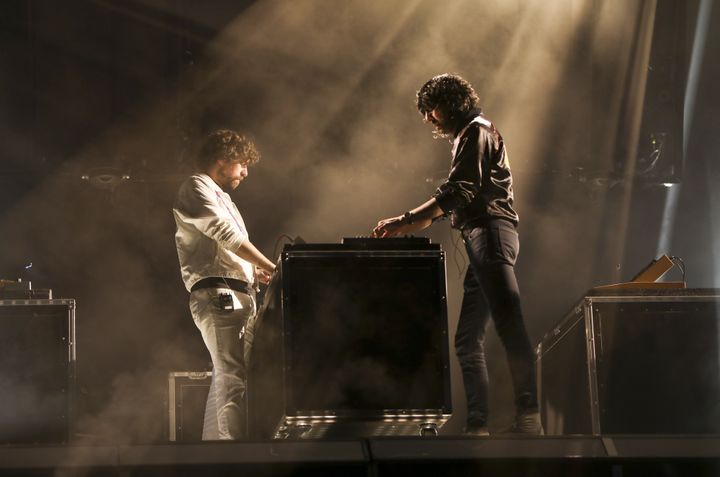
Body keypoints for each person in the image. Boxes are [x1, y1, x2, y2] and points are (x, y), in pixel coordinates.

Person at [373, 74, 542, 436]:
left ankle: (529, 418)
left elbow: (461, 189)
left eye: (430, 110)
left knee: (509, 321)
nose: (429, 120)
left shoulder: (476, 131)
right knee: (467, 339)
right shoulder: (470, 134)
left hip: (491, 233)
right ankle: (478, 426)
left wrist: (407, 220)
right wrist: (412, 222)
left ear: (448, 103)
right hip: (482, 236)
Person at [173, 129, 276, 440]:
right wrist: (271, 267)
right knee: (233, 378)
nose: (245, 172)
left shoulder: (223, 198)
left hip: (233, 293)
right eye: (243, 164)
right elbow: (226, 235)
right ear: (224, 160)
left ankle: (216, 453)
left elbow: (223, 249)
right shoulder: (195, 186)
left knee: (225, 377)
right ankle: (235, 457)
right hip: (220, 296)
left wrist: (251, 272)